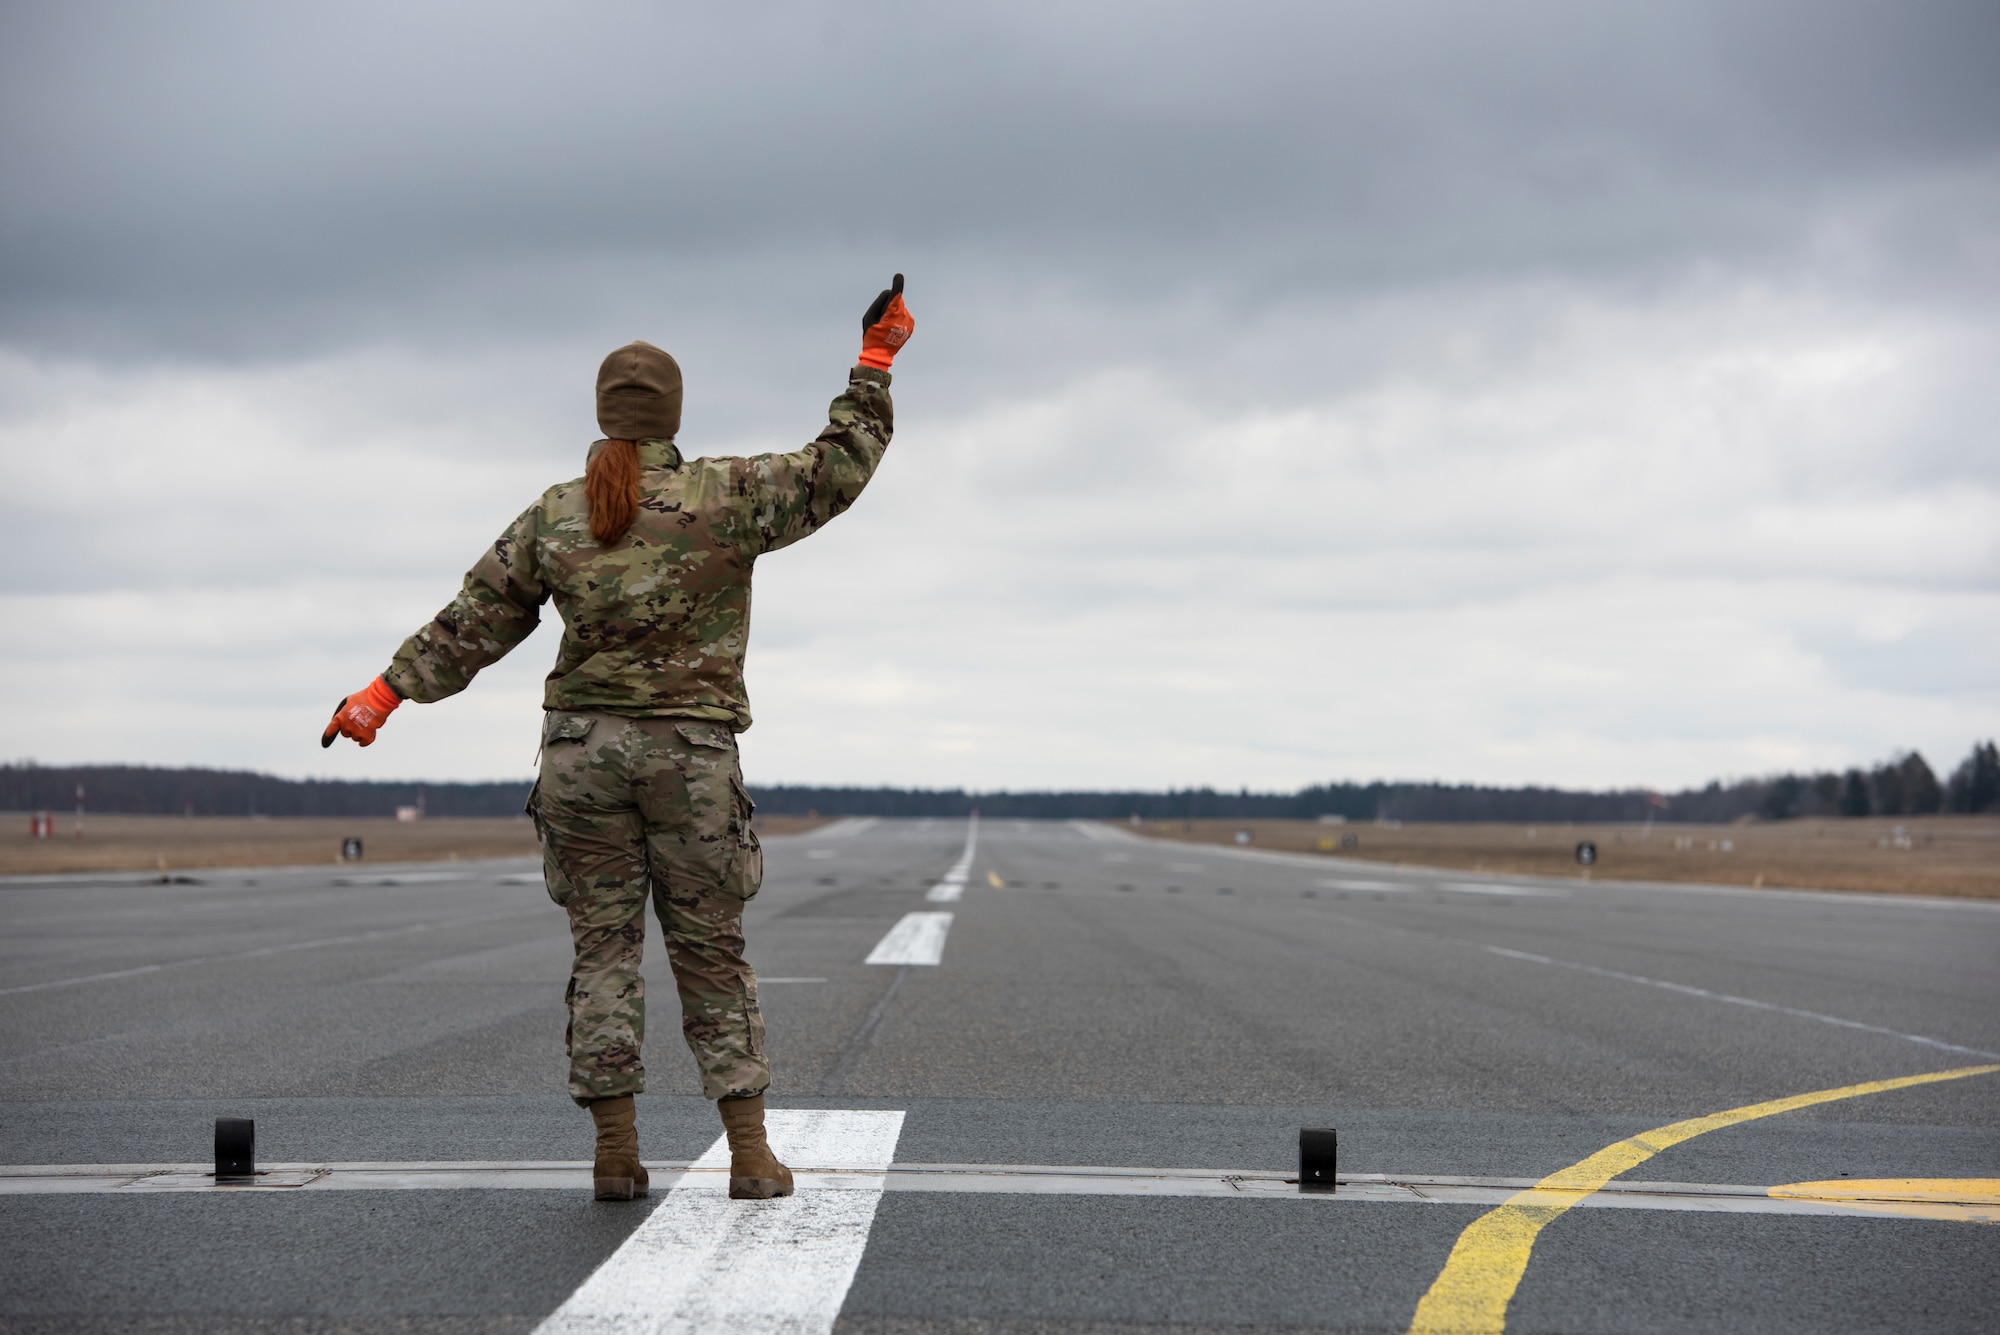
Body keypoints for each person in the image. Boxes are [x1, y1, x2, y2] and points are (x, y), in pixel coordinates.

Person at [320, 277, 914, 1201]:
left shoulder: (560, 511)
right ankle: (751, 1156)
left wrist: (382, 693)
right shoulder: (727, 496)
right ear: (673, 413)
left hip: (581, 759)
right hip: (691, 760)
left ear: (603, 413)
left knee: (604, 951)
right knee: (710, 948)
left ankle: (614, 1152)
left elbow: (475, 617)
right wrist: (874, 361)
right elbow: (837, 466)